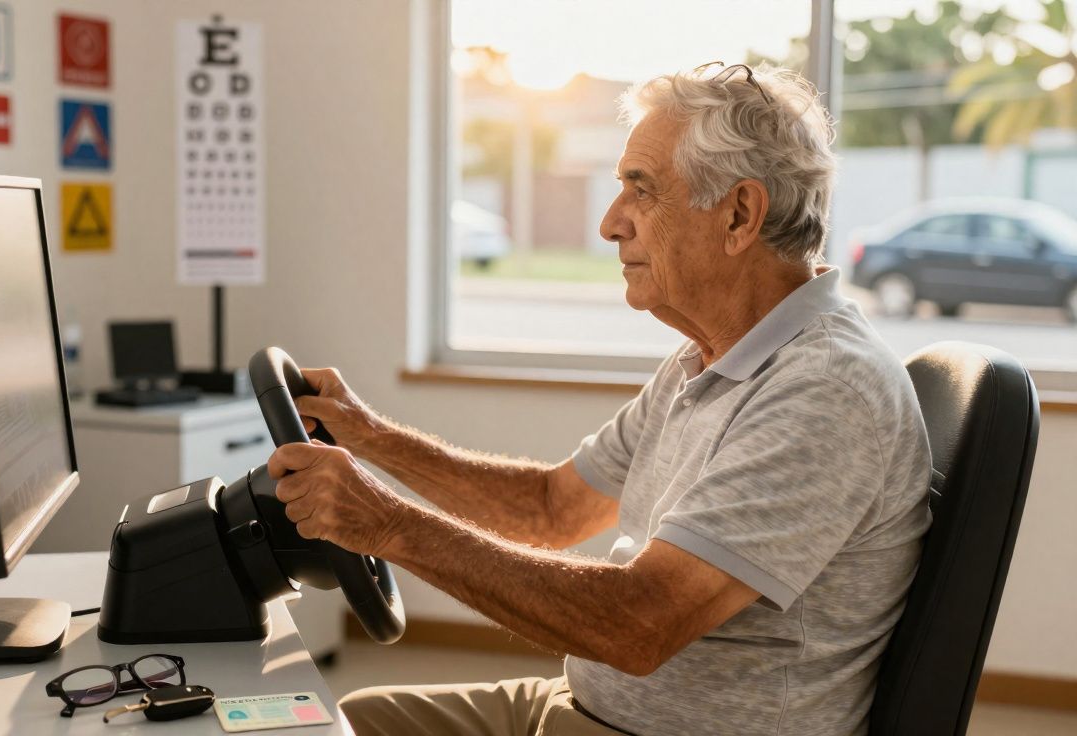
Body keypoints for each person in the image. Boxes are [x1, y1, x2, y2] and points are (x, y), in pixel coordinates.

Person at [268, 63, 932, 736]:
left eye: (639, 193)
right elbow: (553, 509)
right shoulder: (707, 358)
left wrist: (386, 524)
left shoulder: (824, 390)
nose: (610, 224)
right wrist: (370, 436)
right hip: (582, 705)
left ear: (739, 214)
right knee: (336, 722)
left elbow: (637, 624)